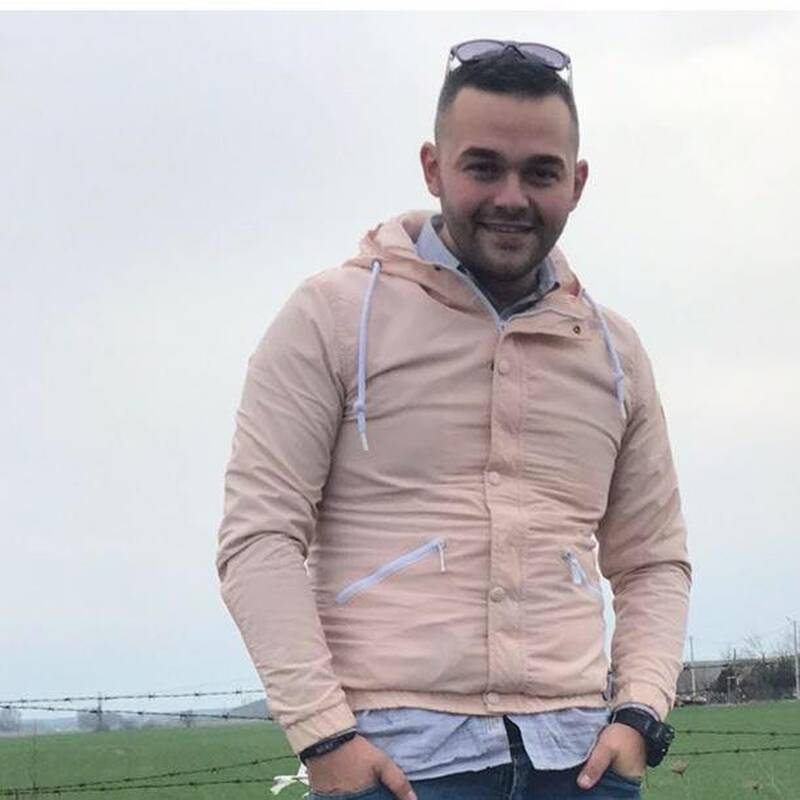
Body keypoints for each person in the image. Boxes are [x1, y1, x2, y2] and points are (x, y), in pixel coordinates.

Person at [216, 39, 691, 800]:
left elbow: (653, 560)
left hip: (580, 764)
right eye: (483, 167)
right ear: (433, 168)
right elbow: (259, 536)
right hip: (396, 765)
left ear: (576, 182)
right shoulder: (330, 318)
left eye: (540, 173)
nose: (512, 196)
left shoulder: (614, 352)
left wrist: (638, 714)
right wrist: (324, 737)